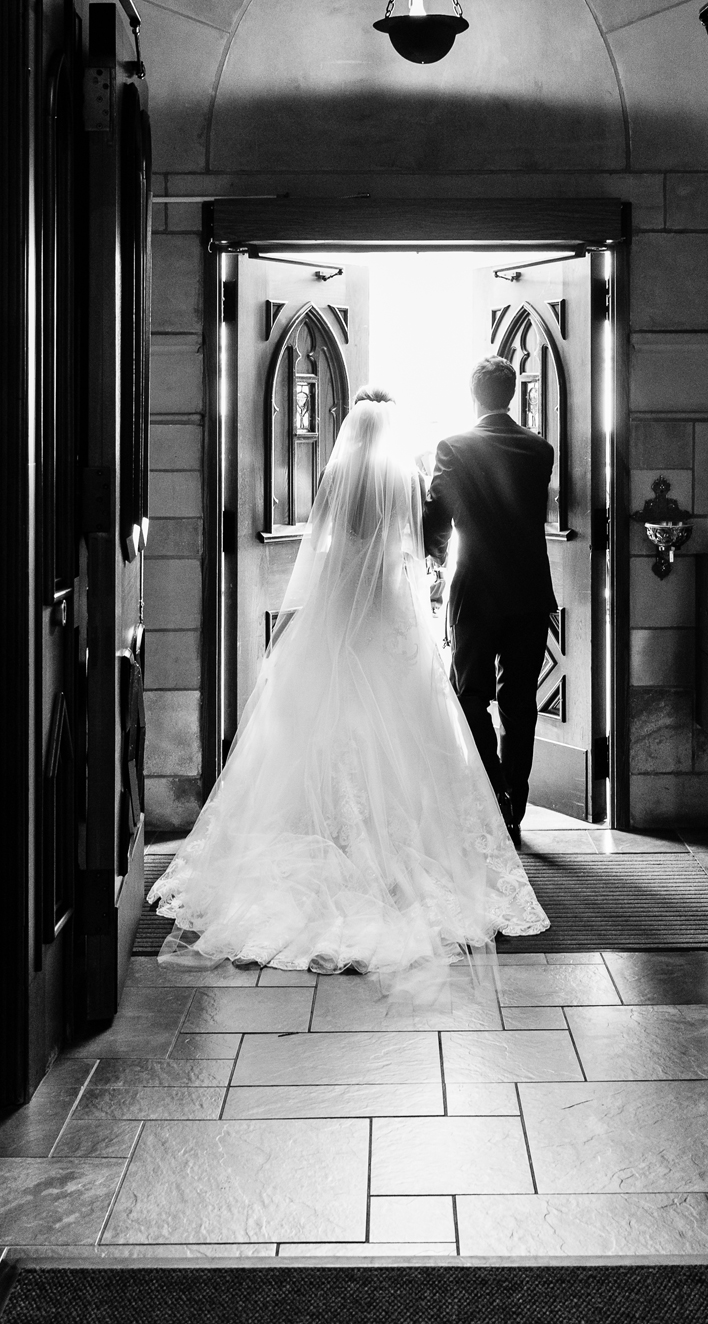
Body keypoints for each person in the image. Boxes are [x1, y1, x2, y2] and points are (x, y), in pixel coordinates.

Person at [147, 389, 548, 997]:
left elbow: (320, 543)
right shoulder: (410, 476)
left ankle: (323, 835)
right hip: (391, 607)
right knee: (415, 724)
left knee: (321, 723)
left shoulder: (336, 474)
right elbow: (419, 545)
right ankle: (469, 820)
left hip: (337, 606)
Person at [422, 356, 559, 848]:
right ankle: (515, 806)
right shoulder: (539, 450)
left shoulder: (455, 446)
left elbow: (438, 511)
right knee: (521, 702)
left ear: (474, 395)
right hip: (528, 592)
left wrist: (433, 557)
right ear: (515, 391)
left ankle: (494, 791)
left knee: (470, 696)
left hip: (475, 592)